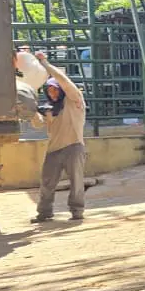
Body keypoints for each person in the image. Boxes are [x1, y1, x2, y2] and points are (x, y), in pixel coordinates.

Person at [29, 51, 88, 223]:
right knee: (46, 183)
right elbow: (38, 124)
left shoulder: (74, 100)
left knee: (76, 182)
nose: (53, 93)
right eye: (49, 91)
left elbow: (63, 80)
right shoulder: (50, 109)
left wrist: (45, 64)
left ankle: (77, 211)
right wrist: (30, 112)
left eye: (55, 89)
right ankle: (44, 213)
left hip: (73, 147)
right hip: (53, 150)